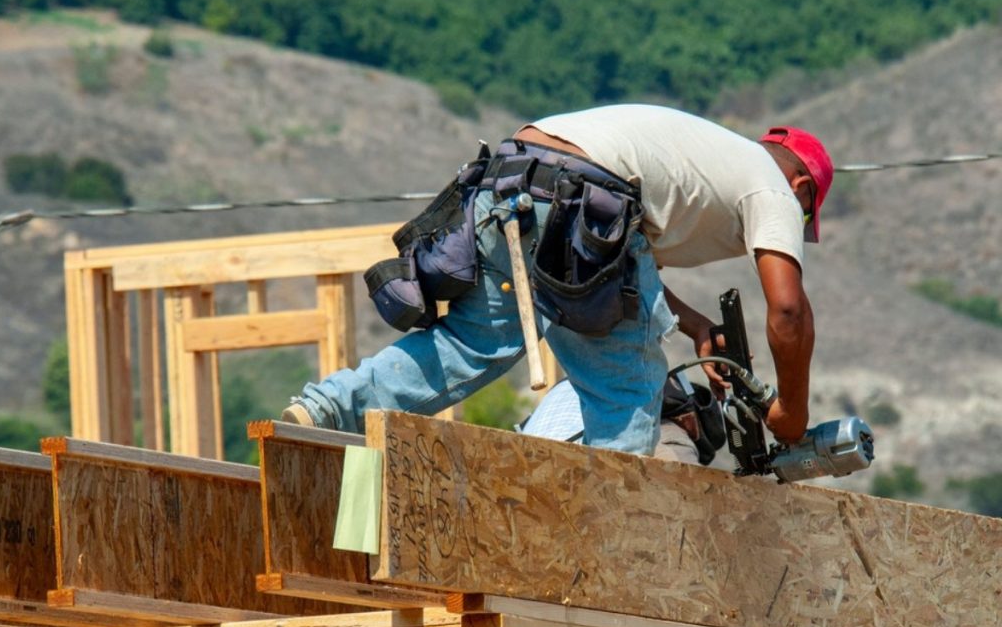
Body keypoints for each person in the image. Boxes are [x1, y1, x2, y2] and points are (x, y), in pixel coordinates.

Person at [282, 104, 832, 456]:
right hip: (583, 198)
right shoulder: (772, 186)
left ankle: (328, 409)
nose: (796, 223)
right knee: (626, 389)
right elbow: (789, 311)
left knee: (468, 346)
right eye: (804, 216)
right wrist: (792, 413)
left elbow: (628, 271)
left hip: (511, 179)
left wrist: (695, 326)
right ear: (801, 188)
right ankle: (611, 544)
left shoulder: (707, 160)